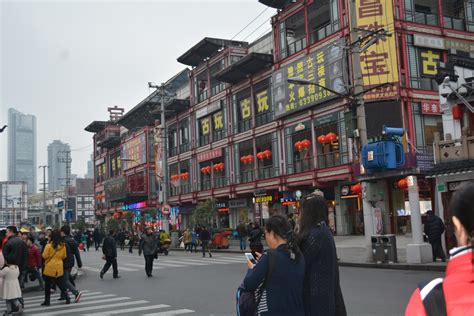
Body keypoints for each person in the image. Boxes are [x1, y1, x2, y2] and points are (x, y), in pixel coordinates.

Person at [406, 182, 474, 315]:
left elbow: (426, 229)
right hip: (437, 235)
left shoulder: (428, 297)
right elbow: (442, 227)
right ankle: (441, 257)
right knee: (438, 248)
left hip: (432, 237)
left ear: (458, 226)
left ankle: (438, 257)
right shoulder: (437, 219)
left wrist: (428, 235)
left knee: (435, 248)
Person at [243, 215, 305, 315]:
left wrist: (252, 268)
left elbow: (249, 284)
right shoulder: (299, 255)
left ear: (272, 233)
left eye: (265, 234)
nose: (266, 237)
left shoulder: (269, 256)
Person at [297, 192, 346, 316]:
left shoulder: (315, 235)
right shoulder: (323, 231)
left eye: (301, 211)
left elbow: (298, 264)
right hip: (324, 300)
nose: (299, 216)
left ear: (308, 213)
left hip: (315, 302)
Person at [41, 229, 75, 306]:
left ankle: (47, 301)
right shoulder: (63, 246)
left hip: (49, 267)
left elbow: (44, 256)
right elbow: (64, 256)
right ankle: (67, 298)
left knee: (47, 285)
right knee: (60, 283)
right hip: (59, 266)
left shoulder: (48, 245)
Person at [59, 226, 83, 302]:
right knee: (65, 278)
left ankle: (76, 293)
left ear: (63, 232)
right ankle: (63, 295)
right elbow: (77, 252)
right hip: (70, 262)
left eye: (61, 232)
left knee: (64, 280)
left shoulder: (63, 241)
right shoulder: (72, 240)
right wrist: (79, 263)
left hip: (65, 263)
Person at [2, 226, 28, 291]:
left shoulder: (8, 242)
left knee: (11, 288)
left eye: (6, 232)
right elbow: (26, 255)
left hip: (11, 267)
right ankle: (19, 299)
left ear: (11, 232)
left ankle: (16, 299)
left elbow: (4, 256)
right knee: (17, 286)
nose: (5, 234)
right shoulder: (22, 242)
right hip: (21, 267)